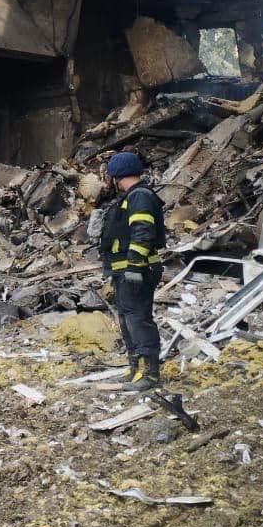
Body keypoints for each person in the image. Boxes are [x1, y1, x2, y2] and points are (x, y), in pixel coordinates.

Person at [99, 151, 166, 390]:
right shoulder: (132, 197)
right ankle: (136, 371)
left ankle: (150, 374)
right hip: (124, 271)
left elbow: (142, 232)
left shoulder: (140, 197)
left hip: (137, 271)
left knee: (138, 320)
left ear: (116, 175)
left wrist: (135, 267)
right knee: (128, 320)